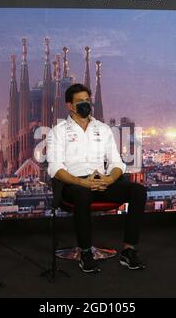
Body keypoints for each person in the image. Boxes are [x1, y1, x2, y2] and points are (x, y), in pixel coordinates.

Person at [46, 83, 147, 273]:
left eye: (87, 100)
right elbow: (55, 168)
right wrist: (81, 182)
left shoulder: (103, 129)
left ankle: (128, 250)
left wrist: (109, 179)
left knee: (138, 191)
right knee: (82, 194)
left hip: (102, 182)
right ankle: (86, 253)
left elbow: (118, 164)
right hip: (74, 185)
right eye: (80, 101)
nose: (85, 104)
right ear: (69, 105)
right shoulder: (57, 132)